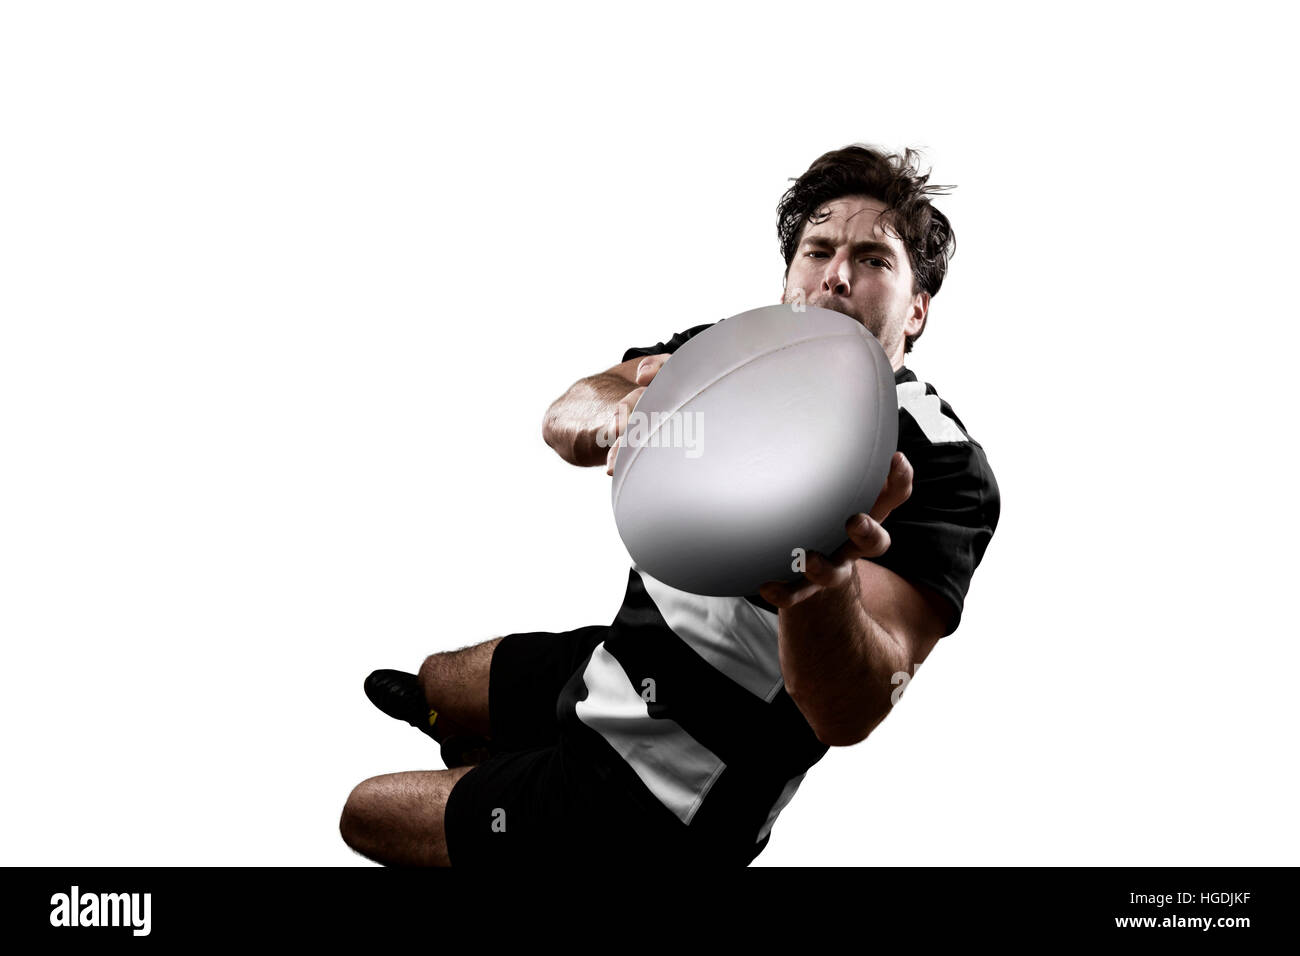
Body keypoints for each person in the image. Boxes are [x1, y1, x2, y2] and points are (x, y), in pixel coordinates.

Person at [339, 144, 1001, 867]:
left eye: (875, 260)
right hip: (625, 660)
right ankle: (478, 754)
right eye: (818, 250)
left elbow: (851, 708)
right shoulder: (735, 356)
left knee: (362, 813)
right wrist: (618, 415)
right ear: (788, 282)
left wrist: (820, 587)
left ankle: (501, 807)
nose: (838, 276)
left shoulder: (940, 465)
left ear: (917, 311)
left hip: (667, 793)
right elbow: (570, 410)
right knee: (441, 680)